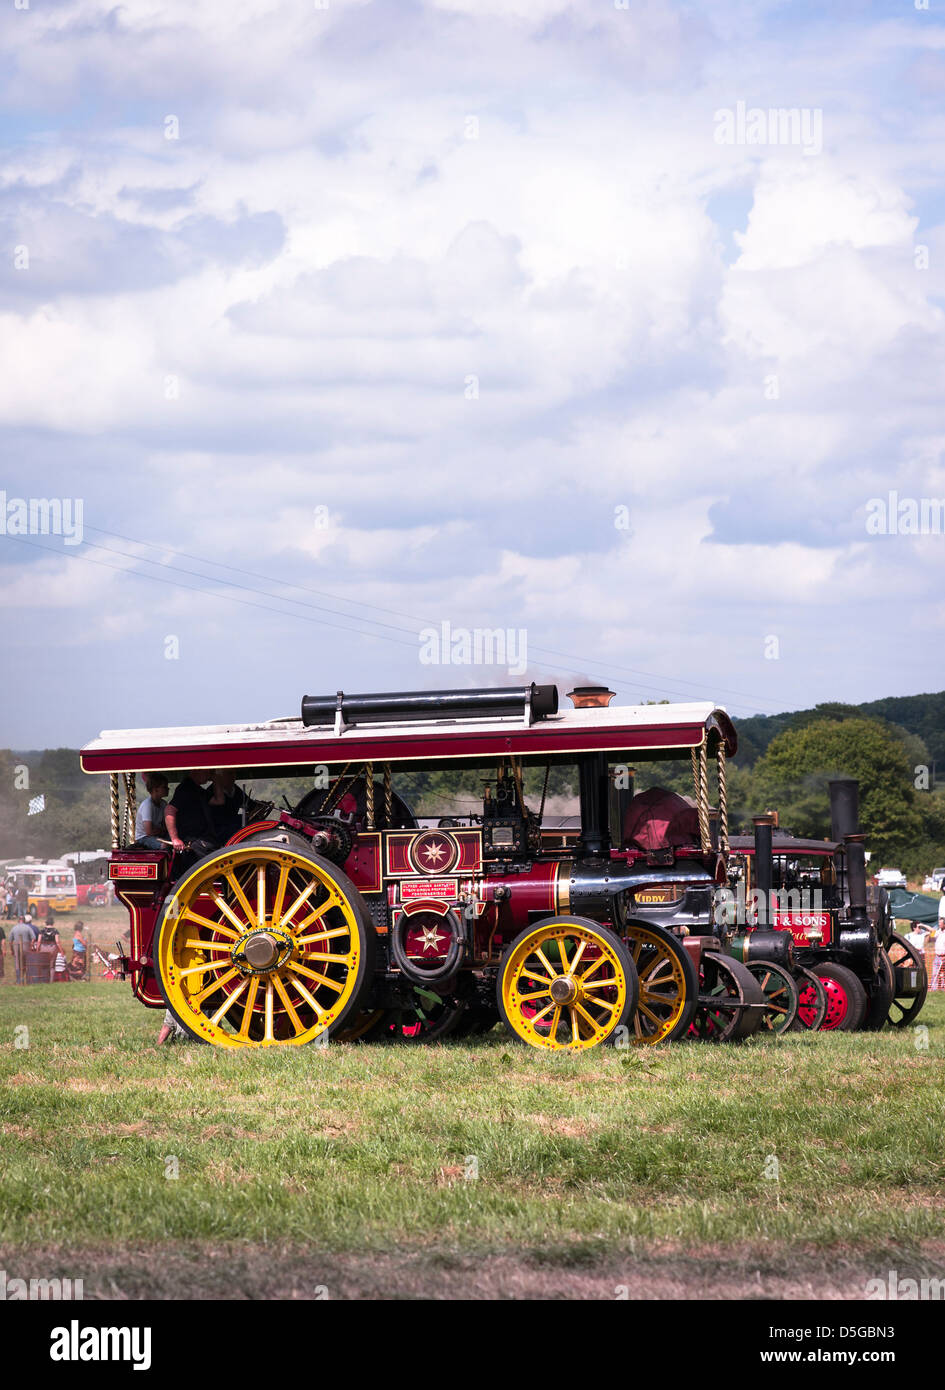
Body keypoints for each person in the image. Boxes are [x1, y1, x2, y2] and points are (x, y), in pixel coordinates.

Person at [205, 769, 246, 844]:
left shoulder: (236, 790)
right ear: (219, 776)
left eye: (234, 774)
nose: (233, 777)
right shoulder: (210, 792)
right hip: (219, 834)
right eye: (230, 773)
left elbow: (249, 803)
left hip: (234, 829)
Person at [134, 773, 170, 850]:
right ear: (155, 789)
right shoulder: (147, 805)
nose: (168, 789)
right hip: (144, 838)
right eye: (164, 787)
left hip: (156, 835)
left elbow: (165, 825)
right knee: (165, 845)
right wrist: (162, 830)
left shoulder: (163, 804)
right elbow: (149, 832)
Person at [8, 915, 36, 985]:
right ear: (24, 920)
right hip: (26, 947)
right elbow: (33, 938)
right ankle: (25, 979)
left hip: (16, 947)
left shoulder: (14, 928)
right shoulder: (27, 927)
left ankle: (18, 980)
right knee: (25, 963)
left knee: (17, 963)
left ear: (18, 920)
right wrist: (31, 945)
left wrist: (11, 949)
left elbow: (10, 941)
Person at [934, 901, 945, 992]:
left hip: (943, 957)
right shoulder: (938, 932)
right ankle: (934, 988)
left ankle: (943, 988)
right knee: (935, 973)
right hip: (937, 956)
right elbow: (932, 934)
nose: (939, 924)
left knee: (943, 974)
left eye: (940, 923)